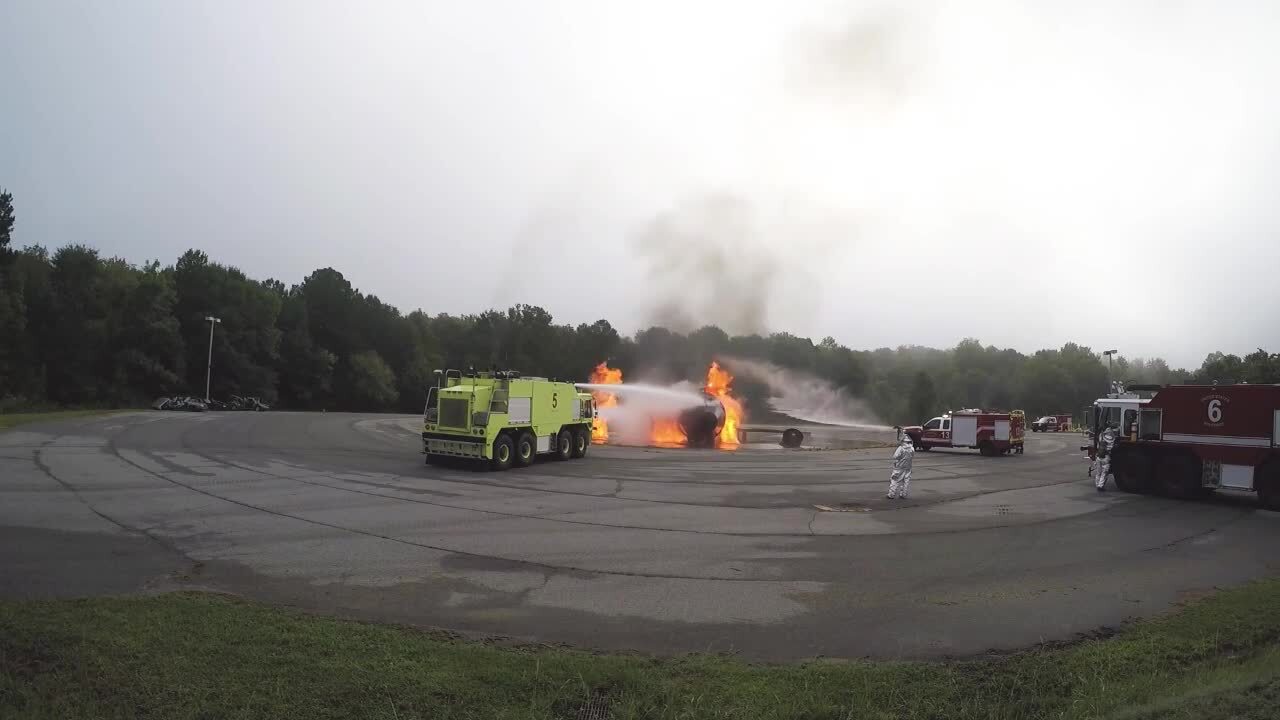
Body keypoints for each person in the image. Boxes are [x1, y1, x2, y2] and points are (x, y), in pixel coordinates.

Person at [888, 432, 915, 499]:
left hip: (899, 467)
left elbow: (895, 456)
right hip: (908, 467)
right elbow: (912, 456)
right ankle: (903, 494)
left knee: (894, 480)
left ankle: (891, 494)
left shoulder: (901, 448)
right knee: (906, 481)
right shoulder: (912, 448)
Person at [1093, 423, 1118, 492]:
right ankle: (1100, 486)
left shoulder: (1101, 436)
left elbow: (1098, 445)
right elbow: (1112, 446)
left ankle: (1097, 484)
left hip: (1098, 456)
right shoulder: (1111, 436)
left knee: (1098, 472)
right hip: (1106, 457)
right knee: (1104, 472)